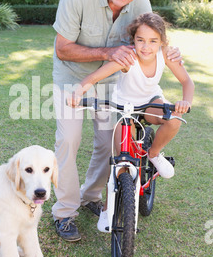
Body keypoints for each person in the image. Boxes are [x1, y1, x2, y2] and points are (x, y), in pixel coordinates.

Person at [52, 0, 182, 242]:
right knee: (68, 140)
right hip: (72, 78)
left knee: (107, 144)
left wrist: (169, 51)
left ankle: (91, 197)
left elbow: (152, 40)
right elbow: (62, 48)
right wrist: (107, 52)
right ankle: (64, 213)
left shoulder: (141, 3)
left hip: (113, 82)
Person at [68, 12, 194, 232]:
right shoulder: (129, 58)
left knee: (173, 120)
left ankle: (153, 154)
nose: (146, 47)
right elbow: (95, 76)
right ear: (133, 40)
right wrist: (79, 92)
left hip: (150, 103)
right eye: (140, 40)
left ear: (162, 42)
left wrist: (186, 101)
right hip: (125, 109)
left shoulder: (165, 55)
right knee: (118, 163)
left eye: (153, 41)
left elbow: (187, 81)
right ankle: (108, 210)